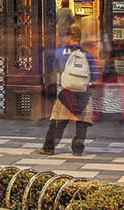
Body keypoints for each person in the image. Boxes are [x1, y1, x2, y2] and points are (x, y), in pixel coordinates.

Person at [42, 24, 98, 156]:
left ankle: (49, 147)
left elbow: (52, 69)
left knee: (58, 121)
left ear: (68, 37)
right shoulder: (87, 55)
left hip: (66, 91)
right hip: (83, 91)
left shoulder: (59, 52)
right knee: (82, 122)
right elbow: (94, 75)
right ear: (79, 38)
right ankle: (78, 149)